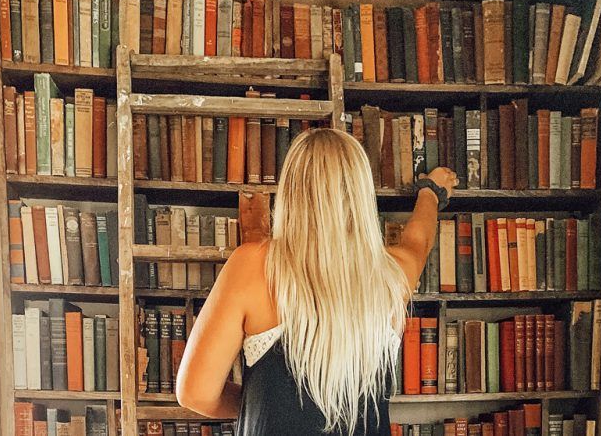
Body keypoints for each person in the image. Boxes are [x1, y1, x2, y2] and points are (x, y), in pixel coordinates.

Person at [176, 128, 458, 435]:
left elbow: (196, 393)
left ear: (292, 190)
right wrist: (431, 193)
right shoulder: (393, 273)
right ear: (361, 192)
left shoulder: (253, 266)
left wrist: (260, 401)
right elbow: (420, 239)